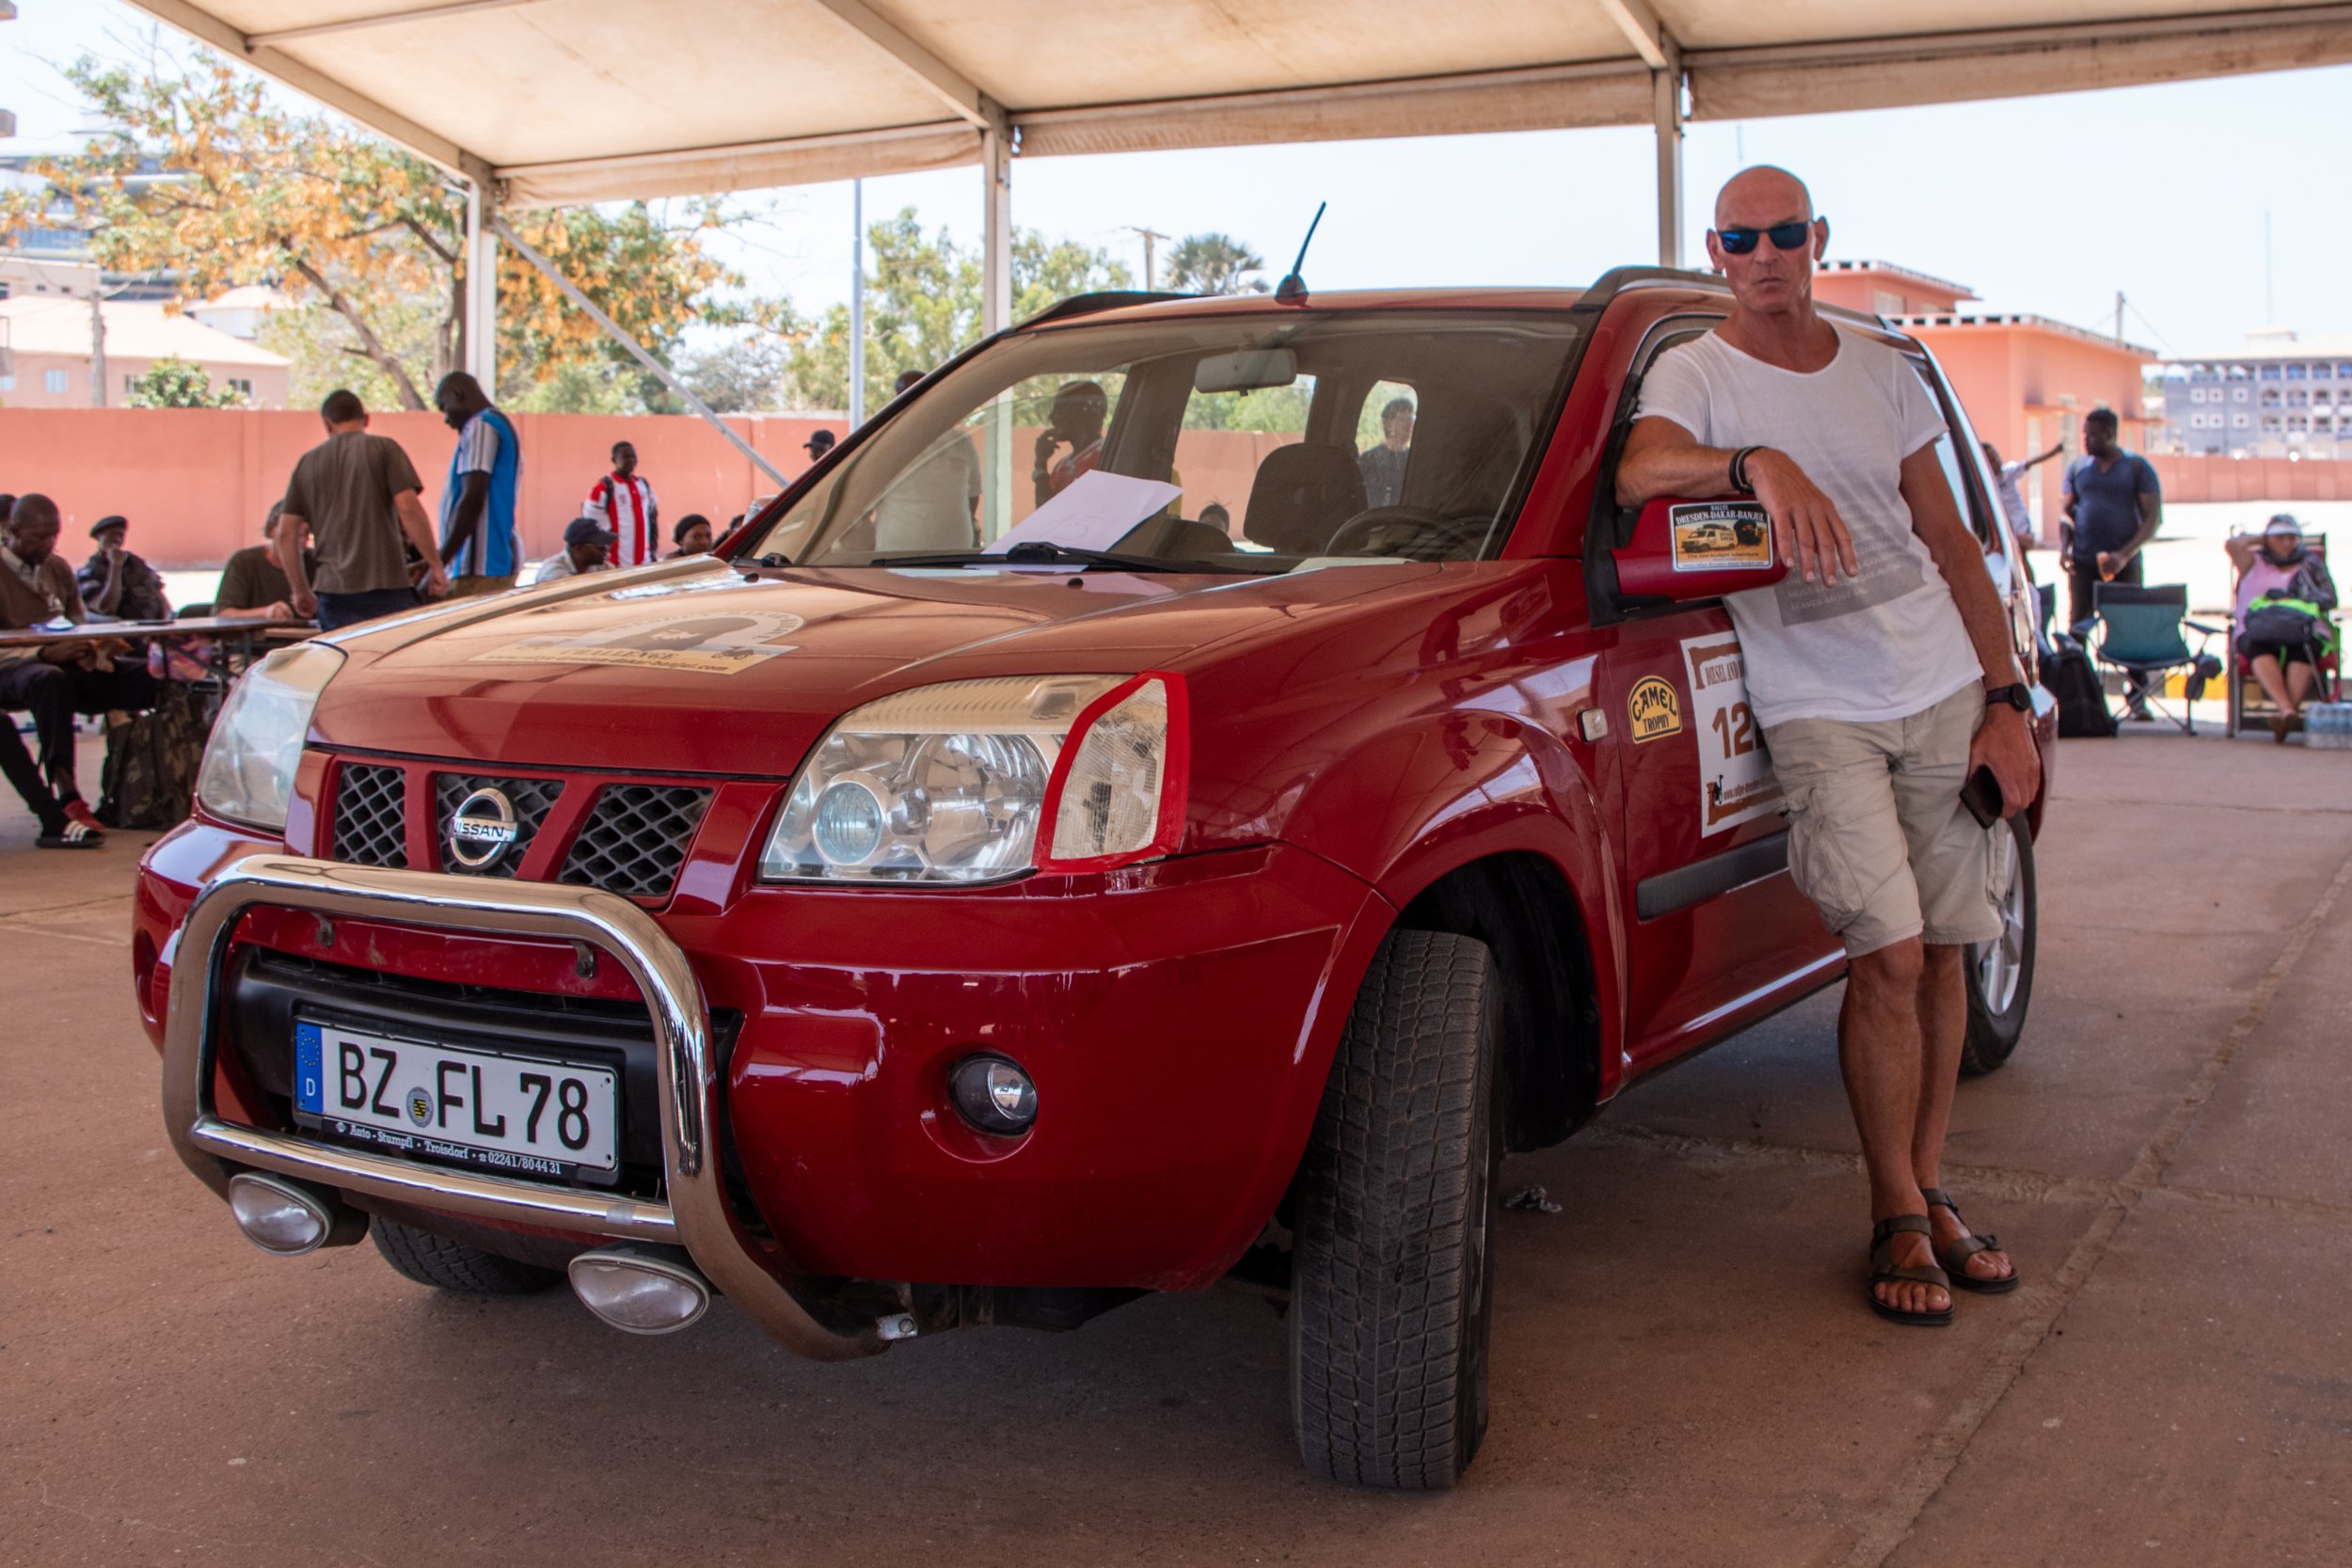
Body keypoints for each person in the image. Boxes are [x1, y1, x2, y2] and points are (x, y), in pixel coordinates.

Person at [1616, 166, 2039, 1327]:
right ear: (1716, 252)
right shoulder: (1694, 371)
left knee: (1944, 949)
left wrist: (2005, 696)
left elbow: (1948, 539)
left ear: (1817, 240)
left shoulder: (1881, 370)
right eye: (1740, 237)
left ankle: (1927, 1190)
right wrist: (1753, 461)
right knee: (1886, 952)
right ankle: (1892, 1205)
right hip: (1815, 701)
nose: (1764, 254)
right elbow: (1641, 469)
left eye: (1784, 233)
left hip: (1940, 681)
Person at [0, 493, 159, 837]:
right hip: (13, 667)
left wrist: (94, 648)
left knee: (154, 675)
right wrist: (42, 653)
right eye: (39, 536)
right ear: (13, 531)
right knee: (49, 680)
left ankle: (157, 789)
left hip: (66, 662)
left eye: (53, 535)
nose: (48, 544)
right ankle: (68, 795)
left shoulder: (57, 568)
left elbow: (78, 622)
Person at [276, 389, 449, 633]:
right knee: (394, 654)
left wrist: (300, 590)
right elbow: (408, 508)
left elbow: (286, 533)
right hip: (387, 584)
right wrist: (435, 564)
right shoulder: (385, 449)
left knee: (343, 656)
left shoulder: (307, 463)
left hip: (334, 591)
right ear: (366, 418)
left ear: (327, 424)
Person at [2061, 408, 2162, 719]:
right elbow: (2067, 513)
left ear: (2110, 434)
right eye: (2085, 433)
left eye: (2093, 434)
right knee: (2078, 626)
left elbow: (2153, 519)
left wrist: (2124, 555)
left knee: (2128, 626)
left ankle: (2137, 698)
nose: (2087, 440)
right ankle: (2078, 696)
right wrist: (2065, 548)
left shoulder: (2136, 468)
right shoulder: (2079, 468)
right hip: (2084, 560)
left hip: (2123, 562)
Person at [2227, 514, 2339, 741]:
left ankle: (2286, 713)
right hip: (2258, 629)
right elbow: (2232, 544)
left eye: (2292, 537)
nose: (2287, 543)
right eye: (2280, 537)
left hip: (2301, 628)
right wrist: (2263, 539)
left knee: (2304, 648)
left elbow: (2330, 598)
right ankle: (2288, 712)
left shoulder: (2311, 563)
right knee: (2258, 647)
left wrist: (2301, 597)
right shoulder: (2252, 561)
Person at [435, 372, 523, 596]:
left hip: (479, 568)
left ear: (458, 394)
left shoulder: (481, 426)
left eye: (444, 407)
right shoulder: (496, 423)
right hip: (486, 566)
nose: (446, 420)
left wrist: (439, 562)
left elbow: (472, 499)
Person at [215, 503, 317, 624]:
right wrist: (266, 612)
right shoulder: (244, 561)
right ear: (271, 530)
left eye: (305, 534)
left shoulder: (316, 561)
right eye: (293, 535)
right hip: (254, 635)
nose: (301, 540)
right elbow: (224, 613)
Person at [78, 515, 173, 622]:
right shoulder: (89, 572)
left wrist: (167, 618)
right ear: (98, 536)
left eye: (121, 535)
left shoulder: (135, 562)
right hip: (126, 627)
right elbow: (106, 609)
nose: (117, 539)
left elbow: (157, 591)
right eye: (112, 534)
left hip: (156, 624)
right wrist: (116, 566)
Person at [582, 440, 660, 568]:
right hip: (615, 565)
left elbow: (652, 519)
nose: (631, 460)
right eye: (625, 457)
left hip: (645, 564)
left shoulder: (644, 485)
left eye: (633, 456)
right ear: (614, 460)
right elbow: (592, 526)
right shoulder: (603, 488)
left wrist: (652, 552)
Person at [1980, 438, 2062, 559]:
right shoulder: (1986, 482)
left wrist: (2053, 452)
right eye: (1991, 460)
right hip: (2005, 523)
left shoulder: (2009, 472)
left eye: (1996, 456)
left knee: (2021, 553)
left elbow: (2030, 463)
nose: (1997, 461)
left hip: (2019, 522)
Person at [1032, 382, 1108, 505]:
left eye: (1059, 409)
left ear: (1083, 414)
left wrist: (1040, 466)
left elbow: (1055, 513)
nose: (1051, 417)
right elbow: (1046, 513)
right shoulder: (1062, 465)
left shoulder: (1102, 458)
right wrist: (1041, 463)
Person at [1358, 396, 1415, 509]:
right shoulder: (1369, 459)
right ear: (1387, 424)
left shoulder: (1414, 460)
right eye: (1402, 420)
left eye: (1411, 420)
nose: (1409, 425)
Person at [532, 516, 614, 583]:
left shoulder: (601, 566)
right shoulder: (553, 572)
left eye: (608, 545)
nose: (606, 550)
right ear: (579, 548)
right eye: (600, 547)